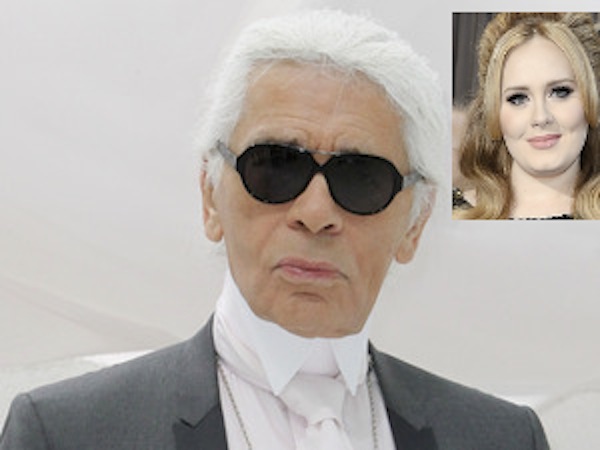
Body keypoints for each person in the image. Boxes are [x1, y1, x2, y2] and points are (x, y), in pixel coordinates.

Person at [1, 10, 549, 449]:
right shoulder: (67, 434)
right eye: (276, 166)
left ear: (415, 223)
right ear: (210, 196)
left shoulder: (501, 438)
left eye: (360, 178)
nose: (315, 211)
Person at [454, 13, 600, 219]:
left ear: (592, 100)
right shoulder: (447, 215)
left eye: (560, 92)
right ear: (493, 111)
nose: (541, 117)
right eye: (518, 98)